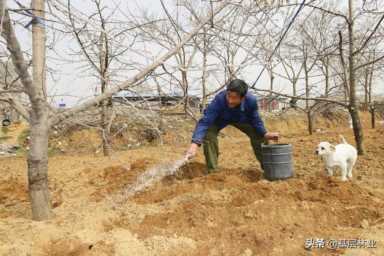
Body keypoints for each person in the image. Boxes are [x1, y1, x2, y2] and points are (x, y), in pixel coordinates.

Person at [185, 79, 279, 172]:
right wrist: (195, 144)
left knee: (259, 135)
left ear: (242, 98)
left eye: (234, 98)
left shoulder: (251, 101)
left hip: (241, 119)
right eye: (228, 96)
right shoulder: (219, 99)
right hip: (220, 120)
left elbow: (255, 119)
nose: (230, 101)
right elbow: (205, 121)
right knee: (208, 133)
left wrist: (264, 133)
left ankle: (269, 170)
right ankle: (212, 170)